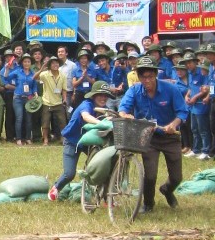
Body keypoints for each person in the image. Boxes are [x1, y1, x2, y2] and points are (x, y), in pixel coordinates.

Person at [118, 56, 188, 213]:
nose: (147, 80)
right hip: (147, 136)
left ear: (155, 75)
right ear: (139, 76)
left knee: (177, 177)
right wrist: (126, 115)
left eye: (150, 76)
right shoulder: (135, 90)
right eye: (143, 76)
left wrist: (173, 124)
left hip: (170, 136)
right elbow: (123, 108)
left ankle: (167, 190)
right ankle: (148, 204)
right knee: (150, 175)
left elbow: (182, 111)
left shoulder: (170, 89)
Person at [48, 81, 114, 200]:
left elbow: (112, 117)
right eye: (100, 95)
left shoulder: (105, 109)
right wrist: (102, 123)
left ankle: (105, 198)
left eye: (106, 95)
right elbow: (86, 116)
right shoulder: (86, 104)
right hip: (72, 142)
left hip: (89, 143)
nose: (103, 98)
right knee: (69, 174)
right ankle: (56, 188)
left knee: (103, 167)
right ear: (94, 95)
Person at [182, 53, 210, 160]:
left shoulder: (202, 72)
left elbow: (205, 89)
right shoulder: (190, 73)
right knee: (194, 128)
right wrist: (187, 95)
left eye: (189, 62)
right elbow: (190, 87)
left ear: (195, 62)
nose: (188, 65)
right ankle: (196, 149)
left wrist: (195, 97)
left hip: (200, 105)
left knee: (203, 129)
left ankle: (205, 150)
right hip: (192, 106)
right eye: (186, 63)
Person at [34, 56, 67, 146]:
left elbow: (64, 89)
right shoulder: (45, 74)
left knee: (62, 122)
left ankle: (63, 138)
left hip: (58, 102)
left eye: (56, 63)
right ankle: (45, 140)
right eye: (52, 63)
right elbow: (35, 77)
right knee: (45, 123)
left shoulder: (63, 75)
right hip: (47, 102)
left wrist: (64, 98)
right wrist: (42, 68)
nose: (55, 65)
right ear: (49, 65)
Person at [6, 53, 37, 145]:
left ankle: (27, 138)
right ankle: (18, 138)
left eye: (28, 62)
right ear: (22, 63)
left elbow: (34, 86)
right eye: (25, 61)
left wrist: (35, 93)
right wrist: (7, 68)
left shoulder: (33, 73)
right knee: (19, 118)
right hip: (18, 98)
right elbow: (7, 77)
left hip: (29, 98)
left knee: (28, 119)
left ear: (31, 63)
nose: (27, 63)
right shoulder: (18, 71)